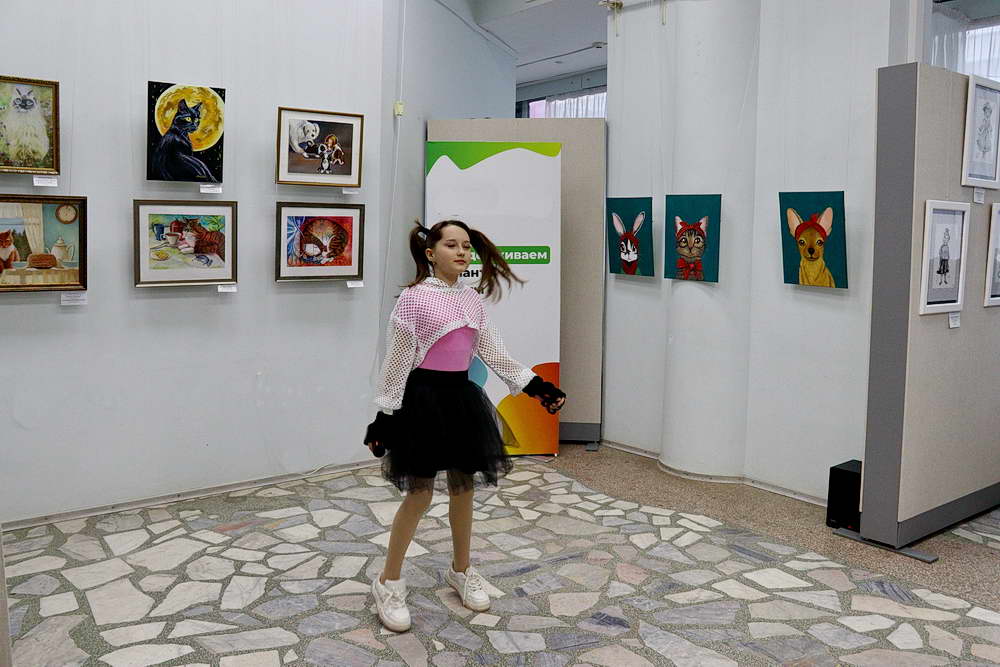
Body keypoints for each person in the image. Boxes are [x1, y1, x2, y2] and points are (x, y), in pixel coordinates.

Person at [363, 219, 566, 632]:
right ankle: (388, 581)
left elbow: (495, 353)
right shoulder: (414, 300)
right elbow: (397, 362)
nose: (461, 252)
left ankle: (461, 569)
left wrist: (536, 386)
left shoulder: (473, 300)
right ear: (430, 253)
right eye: (451, 245)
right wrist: (384, 417)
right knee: (419, 494)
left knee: (463, 489)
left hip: (461, 400)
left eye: (467, 246)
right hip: (422, 402)